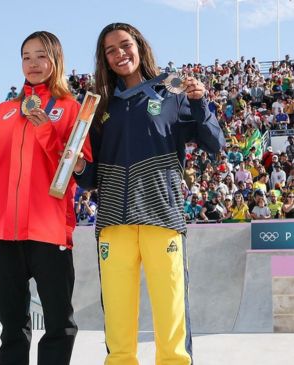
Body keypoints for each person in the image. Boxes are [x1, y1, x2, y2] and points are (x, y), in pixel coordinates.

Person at [73, 23, 224, 365]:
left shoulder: (171, 92)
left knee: (171, 321)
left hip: (162, 218)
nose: (119, 54)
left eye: (125, 45)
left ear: (140, 46)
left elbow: (214, 143)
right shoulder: (99, 106)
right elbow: (92, 178)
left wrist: (201, 105)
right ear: (104, 59)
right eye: (110, 50)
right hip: (113, 223)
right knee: (118, 326)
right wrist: (79, 166)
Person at [0, 31, 90, 365]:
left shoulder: (71, 108)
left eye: (41, 56)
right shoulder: (3, 111)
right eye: (26, 56)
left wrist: (46, 128)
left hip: (49, 232)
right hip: (5, 234)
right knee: (12, 326)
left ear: (56, 60)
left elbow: (79, 167)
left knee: (58, 322)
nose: (33, 64)